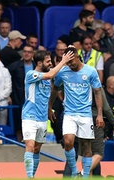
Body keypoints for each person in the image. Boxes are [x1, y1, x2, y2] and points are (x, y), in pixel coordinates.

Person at [48, 46, 104, 178]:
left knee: (86, 146)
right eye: (68, 63)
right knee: (68, 141)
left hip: (85, 114)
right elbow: (55, 89)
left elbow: (97, 92)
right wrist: (49, 106)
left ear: (78, 57)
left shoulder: (90, 71)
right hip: (69, 113)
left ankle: (84, 176)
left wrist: (100, 114)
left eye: (72, 62)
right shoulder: (63, 72)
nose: (70, 65)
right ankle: (73, 172)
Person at [22, 50, 74, 179]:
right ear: (39, 63)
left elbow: (46, 96)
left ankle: (33, 174)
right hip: (30, 117)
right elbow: (50, 74)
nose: (50, 63)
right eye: (48, 61)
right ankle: (29, 177)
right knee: (30, 145)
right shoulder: (31, 74)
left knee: (37, 149)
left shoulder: (46, 80)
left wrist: (49, 109)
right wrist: (63, 61)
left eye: (51, 61)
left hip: (42, 118)